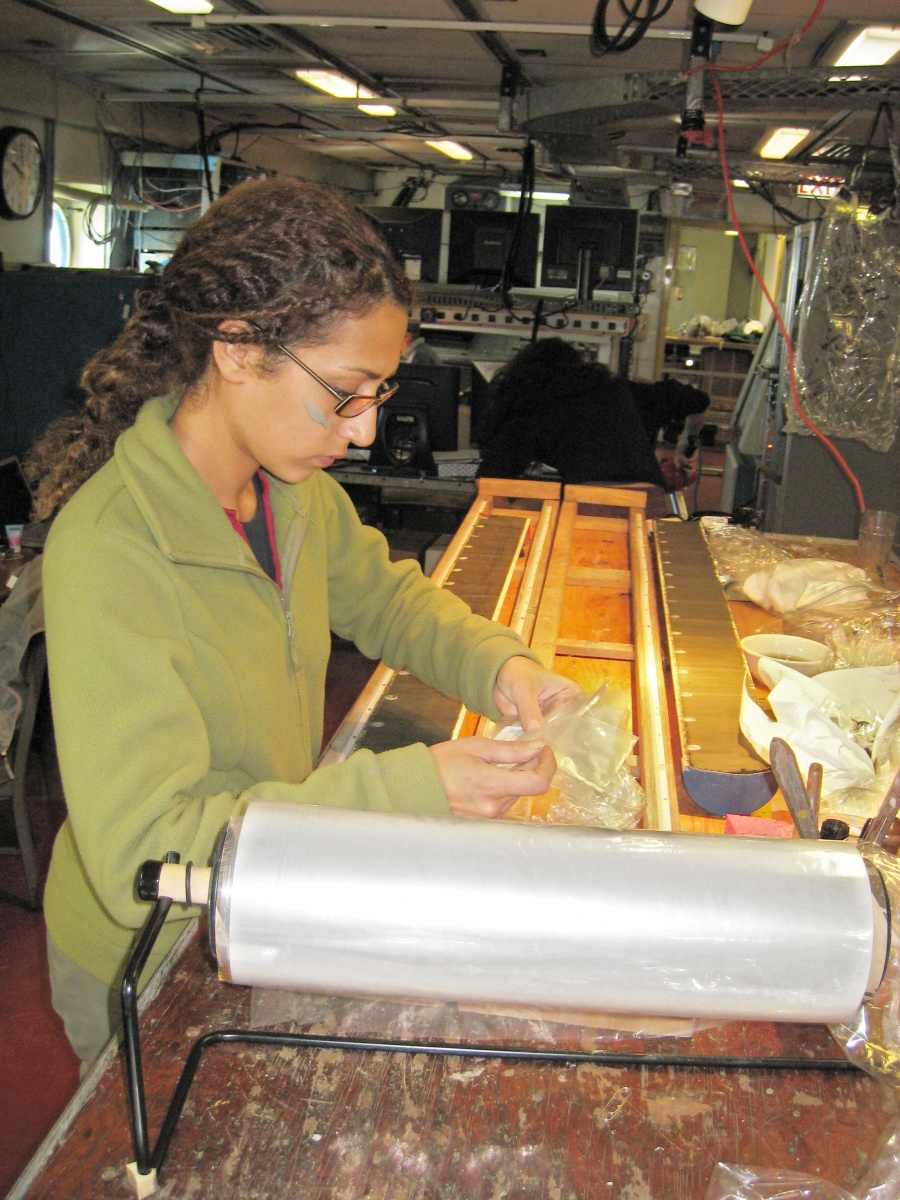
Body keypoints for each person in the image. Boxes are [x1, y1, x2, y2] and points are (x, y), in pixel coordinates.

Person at [29, 177, 580, 1075]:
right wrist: (411, 793)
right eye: (344, 393)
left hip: (266, 893)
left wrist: (503, 669)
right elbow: (149, 850)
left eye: (379, 394)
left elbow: (390, 600)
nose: (364, 432)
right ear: (239, 350)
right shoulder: (111, 548)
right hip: (153, 952)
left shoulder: (295, 494)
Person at [476, 338, 668, 490]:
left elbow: (489, 478)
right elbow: (696, 400)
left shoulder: (537, 407)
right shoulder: (614, 388)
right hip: (653, 499)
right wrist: (687, 440)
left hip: (598, 501)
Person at [626, 377, 710, 470]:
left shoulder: (633, 395)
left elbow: (700, 402)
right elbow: (700, 403)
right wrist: (686, 443)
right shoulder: (632, 393)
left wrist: (686, 444)